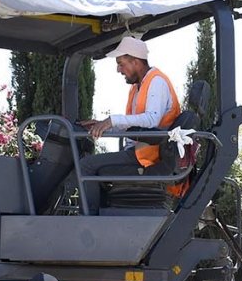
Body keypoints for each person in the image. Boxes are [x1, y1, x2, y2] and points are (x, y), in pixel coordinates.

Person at [76, 35, 181, 214]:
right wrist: (105, 124)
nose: (118, 69)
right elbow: (135, 126)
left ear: (135, 62)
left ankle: (89, 219)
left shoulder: (156, 81)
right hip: (139, 151)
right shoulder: (137, 87)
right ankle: (102, 213)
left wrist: (112, 120)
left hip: (149, 155)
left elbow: (151, 120)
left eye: (121, 63)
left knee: (86, 165)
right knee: (92, 166)